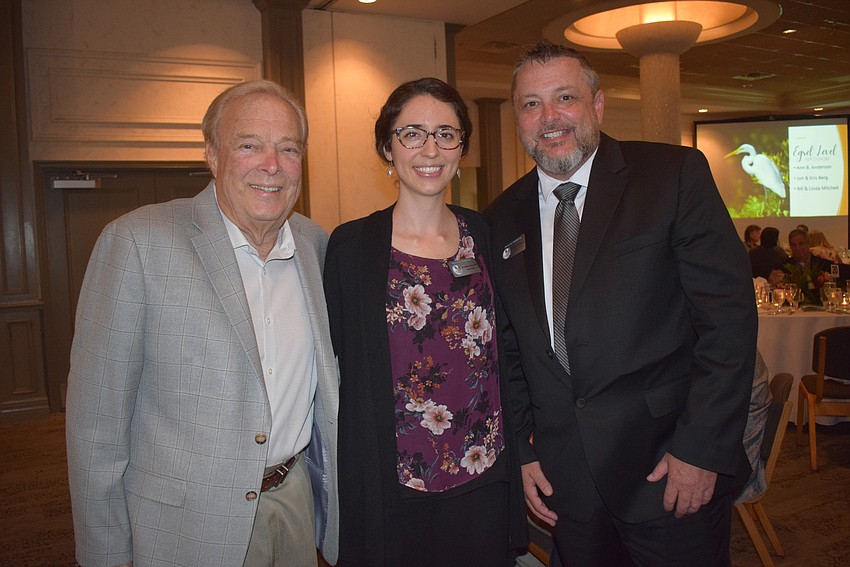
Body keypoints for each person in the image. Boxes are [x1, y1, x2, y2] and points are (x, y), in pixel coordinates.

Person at [485, 41, 757, 566]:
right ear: (517, 117)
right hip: (568, 489)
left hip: (671, 470)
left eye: (564, 97)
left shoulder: (672, 176)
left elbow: (728, 323)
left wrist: (701, 448)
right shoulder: (500, 217)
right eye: (531, 104)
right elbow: (510, 349)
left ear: (598, 104)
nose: (549, 117)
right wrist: (521, 449)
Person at [65, 80, 339, 567]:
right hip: (185, 524)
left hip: (295, 498)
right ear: (212, 154)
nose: (271, 164)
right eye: (249, 144)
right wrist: (106, 553)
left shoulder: (316, 245)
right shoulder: (138, 243)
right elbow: (96, 425)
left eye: (288, 148)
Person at [323, 77, 527, 566]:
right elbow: (335, 359)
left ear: (461, 148)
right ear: (386, 148)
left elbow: (509, 345)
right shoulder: (351, 247)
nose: (430, 148)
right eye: (412, 133)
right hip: (395, 481)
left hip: (484, 470)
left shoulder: (484, 233)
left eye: (446, 133)